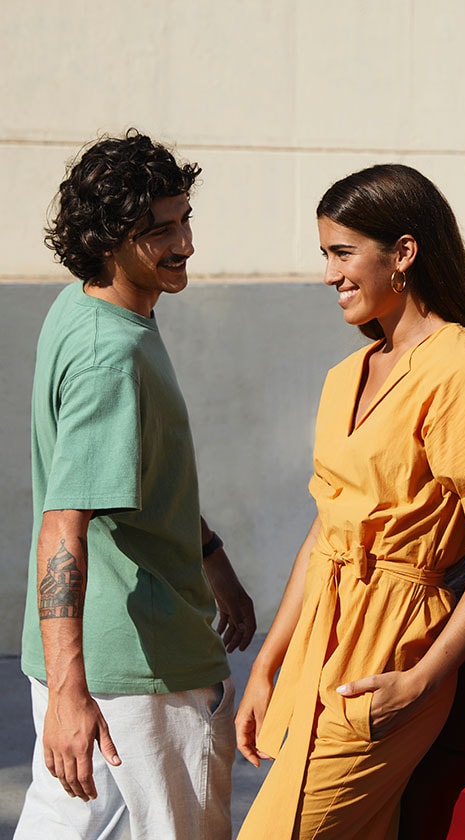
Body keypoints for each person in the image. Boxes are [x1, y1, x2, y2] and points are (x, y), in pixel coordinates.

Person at [235, 164, 465, 839]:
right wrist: (268, 664)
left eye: (343, 253)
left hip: (391, 652)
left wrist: (424, 679)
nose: (330, 274)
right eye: (325, 255)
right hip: (319, 644)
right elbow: (325, 533)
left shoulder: (461, 373)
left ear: (403, 253)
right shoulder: (347, 376)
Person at [15, 129, 256, 840]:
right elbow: (65, 524)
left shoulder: (88, 308)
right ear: (108, 240)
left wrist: (213, 560)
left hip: (97, 662)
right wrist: (69, 693)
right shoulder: (109, 357)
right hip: (136, 676)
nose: (184, 243)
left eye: (185, 219)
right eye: (160, 231)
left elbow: (141, 478)